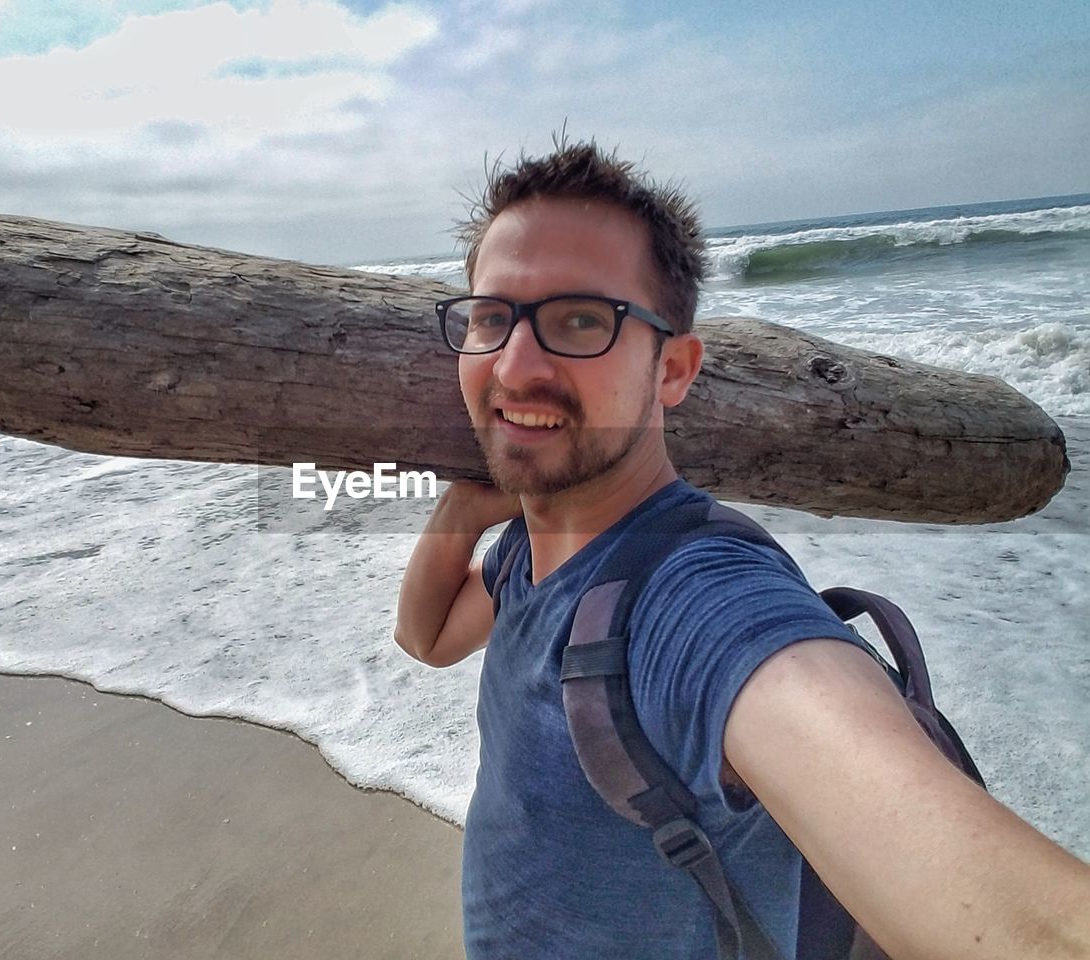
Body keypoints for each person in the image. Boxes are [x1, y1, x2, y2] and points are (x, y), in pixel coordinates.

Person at [393, 140, 1090, 959]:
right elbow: (427, 638)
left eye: (582, 320)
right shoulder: (524, 553)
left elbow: (1000, 908)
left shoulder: (694, 600)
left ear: (673, 371)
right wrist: (466, 501)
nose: (515, 365)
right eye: (490, 317)